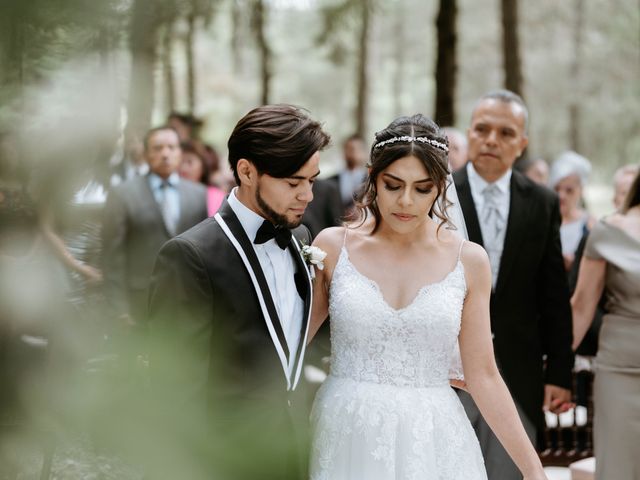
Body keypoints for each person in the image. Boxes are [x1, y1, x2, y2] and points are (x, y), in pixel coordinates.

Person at [307, 114, 549, 480]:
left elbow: (483, 374)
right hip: (346, 429)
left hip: (434, 439)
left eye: (422, 188)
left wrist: (534, 472)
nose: (406, 201)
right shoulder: (332, 247)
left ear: (440, 188)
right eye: (393, 185)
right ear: (373, 177)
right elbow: (287, 349)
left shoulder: (468, 260)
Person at [147, 104, 330, 480]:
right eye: (294, 183)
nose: (307, 196)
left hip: (295, 449)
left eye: (312, 181)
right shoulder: (188, 256)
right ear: (247, 171)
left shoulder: (300, 238)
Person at [453, 90, 574, 479]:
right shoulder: (436, 193)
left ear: (521, 144)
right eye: (483, 129)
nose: (492, 140)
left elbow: (553, 292)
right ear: (470, 133)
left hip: (518, 367)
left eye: (506, 133)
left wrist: (559, 372)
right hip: (448, 364)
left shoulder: (541, 202)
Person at [101, 126, 208, 330]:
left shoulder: (198, 194)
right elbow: (112, 257)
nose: (165, 154)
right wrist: (119, 310)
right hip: (140, 302)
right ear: (146, 153)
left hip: (189, 301)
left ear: (180, 153)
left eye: (171, 147)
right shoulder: (122, 194)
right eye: (157, 148)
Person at [571, 169, 640, 479]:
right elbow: (582, 306)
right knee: (620, 468)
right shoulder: (608, 231)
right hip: (620, 372)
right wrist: (557, 371)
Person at [549, 151, 595, 272]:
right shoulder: (543, 220)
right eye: (557, 188)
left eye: (569, 190)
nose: (561, 195)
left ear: (581, 190)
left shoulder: (590, 224)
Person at [178, 140, 226, 215]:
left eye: (189, 162)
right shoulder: (171, 195)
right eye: (179, 162)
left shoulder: (216, 196)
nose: (183, 168)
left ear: (203, 166)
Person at [328, 134, 368, 217]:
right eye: (349, 149)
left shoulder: (372, 180)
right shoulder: (330, 181)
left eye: (358, 149)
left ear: (364, 152)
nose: (353, 153)